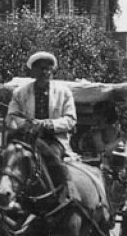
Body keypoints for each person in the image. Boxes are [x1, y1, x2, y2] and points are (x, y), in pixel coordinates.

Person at [6, 51, 76, 195]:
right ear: (33, 71)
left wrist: (47, 124)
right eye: (41, 68)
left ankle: (65, 192)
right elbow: (12, 116)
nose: (45, 71)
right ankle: (5, 192)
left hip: (54, 140)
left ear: (53, 70)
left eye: (48, 68)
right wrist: (27, 124)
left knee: (53, 160)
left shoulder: (64, 93)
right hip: (26, 138)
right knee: (8, 158)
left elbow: (70, 120)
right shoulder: (20, 93)